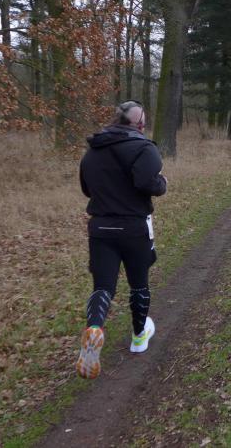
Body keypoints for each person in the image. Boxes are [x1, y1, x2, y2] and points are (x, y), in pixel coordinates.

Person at [76, 100, 167, 379]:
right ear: (139, 123)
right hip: (134, 227)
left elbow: (87, 189)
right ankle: (139, 336)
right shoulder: (144, 147)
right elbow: (148, 183)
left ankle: (94, 328)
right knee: (139, 283)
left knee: (103, 286)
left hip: (101, 228)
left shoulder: (93, 150)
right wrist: (162, 183)